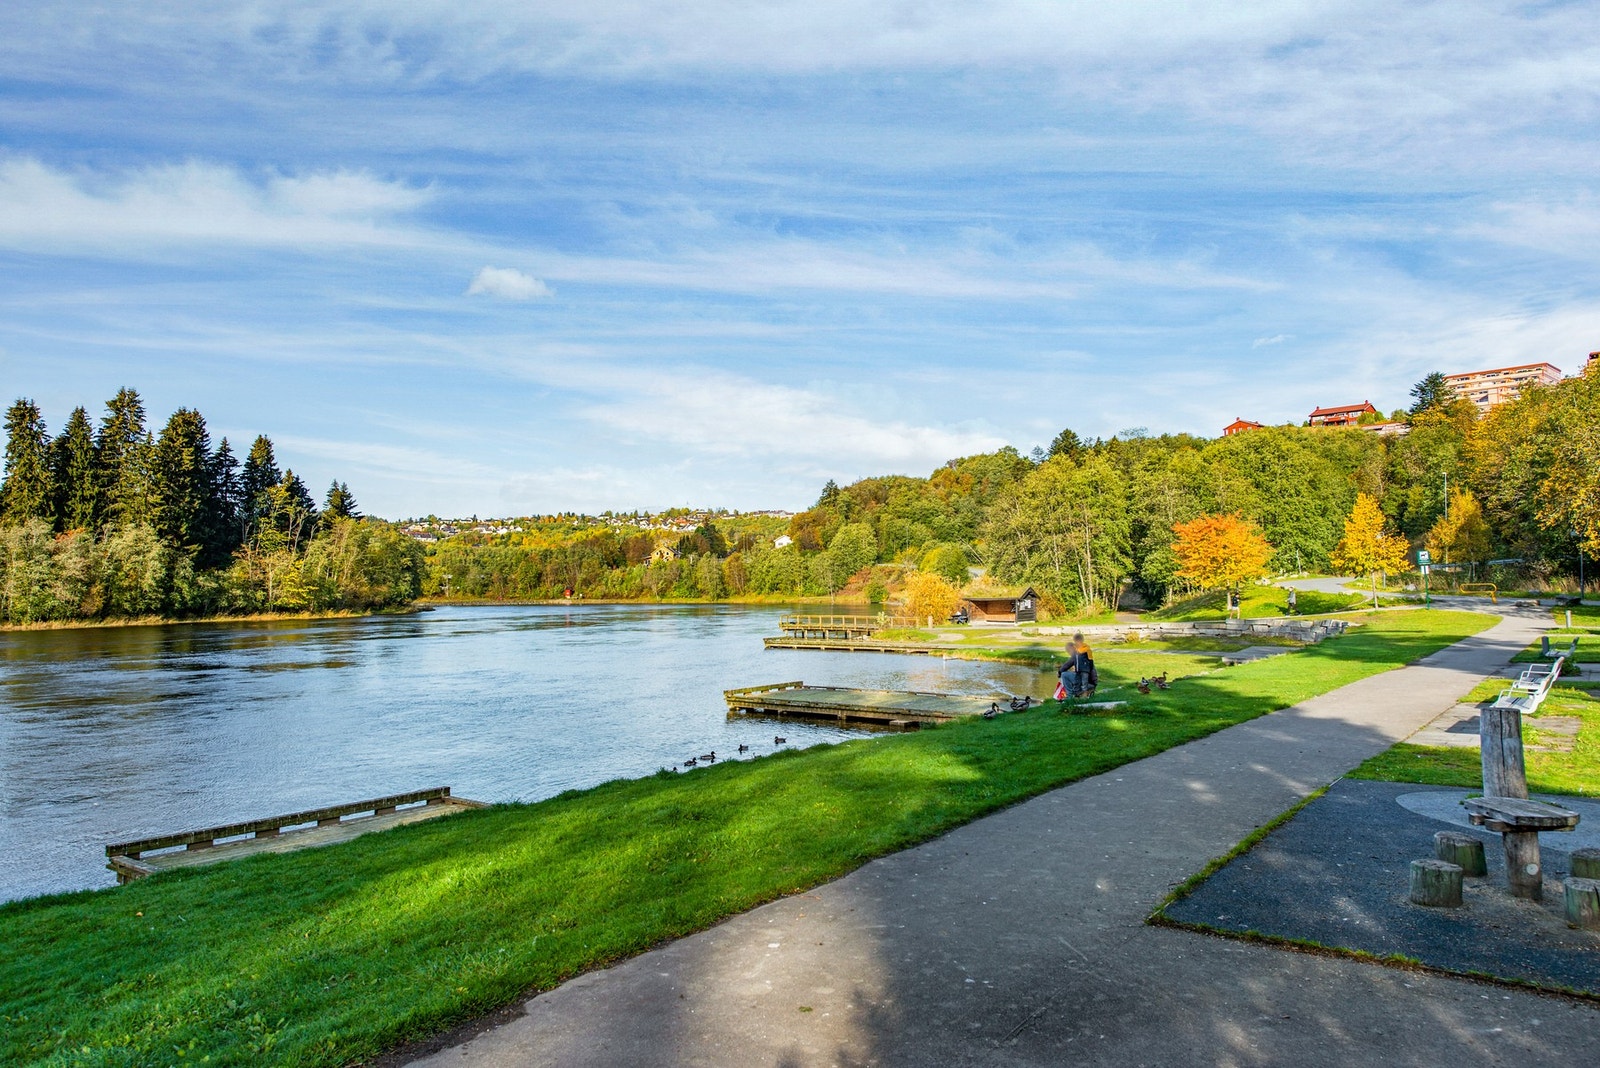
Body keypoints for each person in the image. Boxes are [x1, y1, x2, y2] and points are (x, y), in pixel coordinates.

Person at [1072, 632, 1096, 697]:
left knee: (1084, 683)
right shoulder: (1075, 649)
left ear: (1082, 640)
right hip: (1078, 670)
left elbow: (1090, 660)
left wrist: (1090, 669)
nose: (1077, 642)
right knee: (1076, 682)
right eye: (1076, 641)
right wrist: (1074, 666)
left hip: (1085, 670)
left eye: (1079, 641)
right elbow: (1075, 659)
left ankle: (1085, 696)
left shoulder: (1087, 649)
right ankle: (1076, 696)